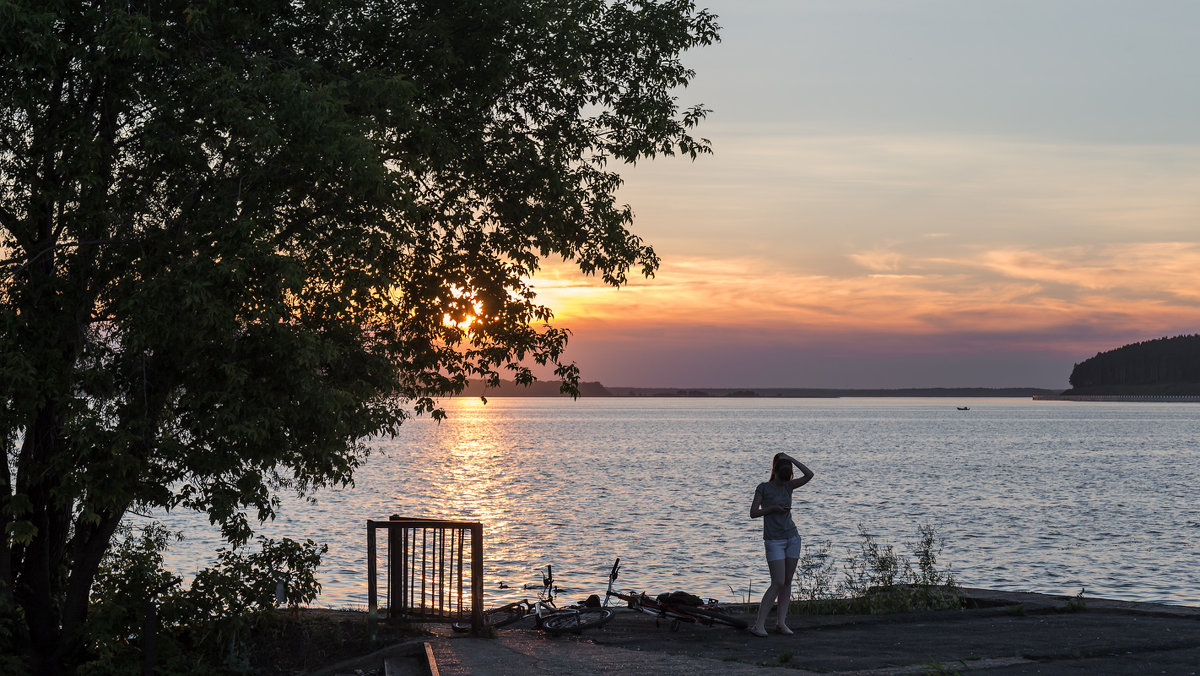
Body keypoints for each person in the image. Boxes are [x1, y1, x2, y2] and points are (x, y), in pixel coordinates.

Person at [748, 452, 814, 637]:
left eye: (787, 477)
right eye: (781, 476)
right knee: (777, 581)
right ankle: (759, 625)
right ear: (774, 472)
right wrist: (772, 509)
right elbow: (753, 513)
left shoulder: (788, 486)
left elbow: (809, 475)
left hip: (792, 538)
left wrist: (790, 459)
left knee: (786, 582)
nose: (783, 480)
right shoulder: (763, 488)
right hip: (774, 540)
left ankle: (781, 623)